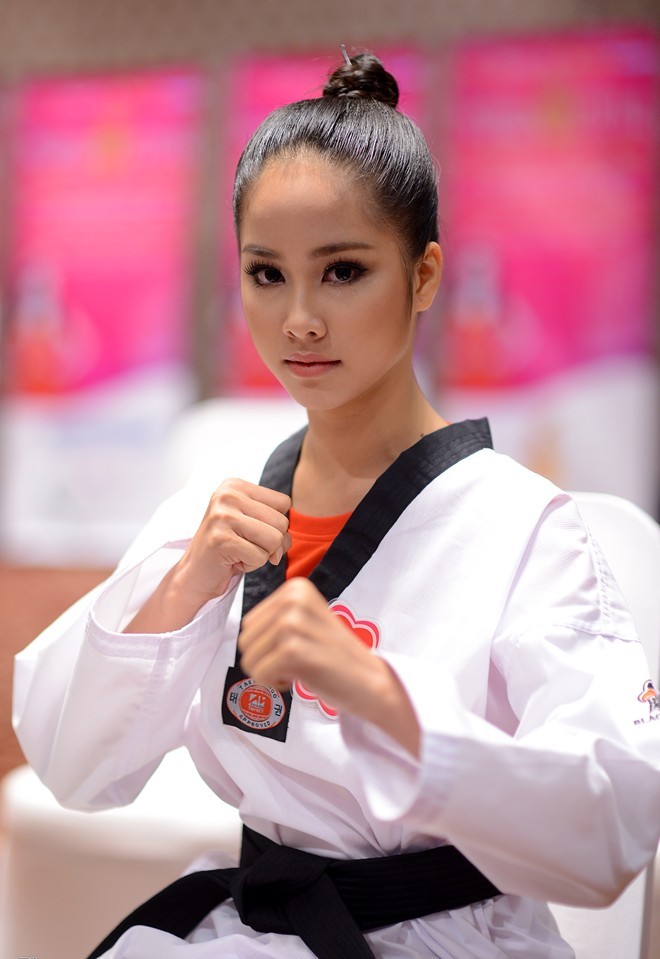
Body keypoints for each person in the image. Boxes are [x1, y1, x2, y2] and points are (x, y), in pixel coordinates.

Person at [12, 51, 660, 959]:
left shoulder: (523, 527)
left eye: (343, 271)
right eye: (266, 273)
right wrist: (184, 590)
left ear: (424, 276)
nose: (299, 319)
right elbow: (71, 766)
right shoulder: (218, 513)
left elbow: (611, 831)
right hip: (250, 927)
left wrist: (381, 695)